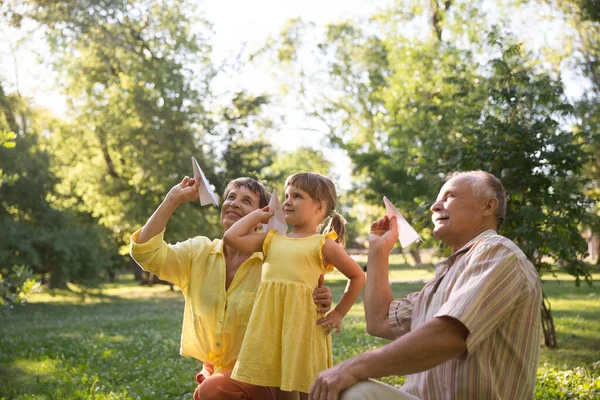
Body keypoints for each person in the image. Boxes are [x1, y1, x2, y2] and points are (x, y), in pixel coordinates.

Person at [309, 170, 542, 400]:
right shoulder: (442, 280)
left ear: (488, 206)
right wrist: (379, 250)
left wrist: (352, 367)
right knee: (352, 391)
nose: (434, 206)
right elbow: (379, 322)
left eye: (449, 197)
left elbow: (449, 336)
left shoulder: (497, 252)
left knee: (355, 393)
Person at [129, 176, 334, 400]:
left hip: (263, 379)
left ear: (261, 217)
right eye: (230, 197)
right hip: (216, 379)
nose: (234, 203)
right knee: (213, 388)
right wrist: (172, 200)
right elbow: (146, 253)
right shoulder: (198, 253)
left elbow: (304, 301)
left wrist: (320, 294)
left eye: (247, 201)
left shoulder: (276, 261)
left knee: (214, 390)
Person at [223, 172, 366, 399]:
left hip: (303, 328)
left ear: (319, 208)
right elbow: (231, 237)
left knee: (308, 386)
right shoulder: (272, 239)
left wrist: (338, 313)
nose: (287, 201)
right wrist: (260, 215)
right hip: (272, 326)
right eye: (287, 195)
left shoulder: (323, 244)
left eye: (297, 196)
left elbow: (358, 276)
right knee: (281, 386)